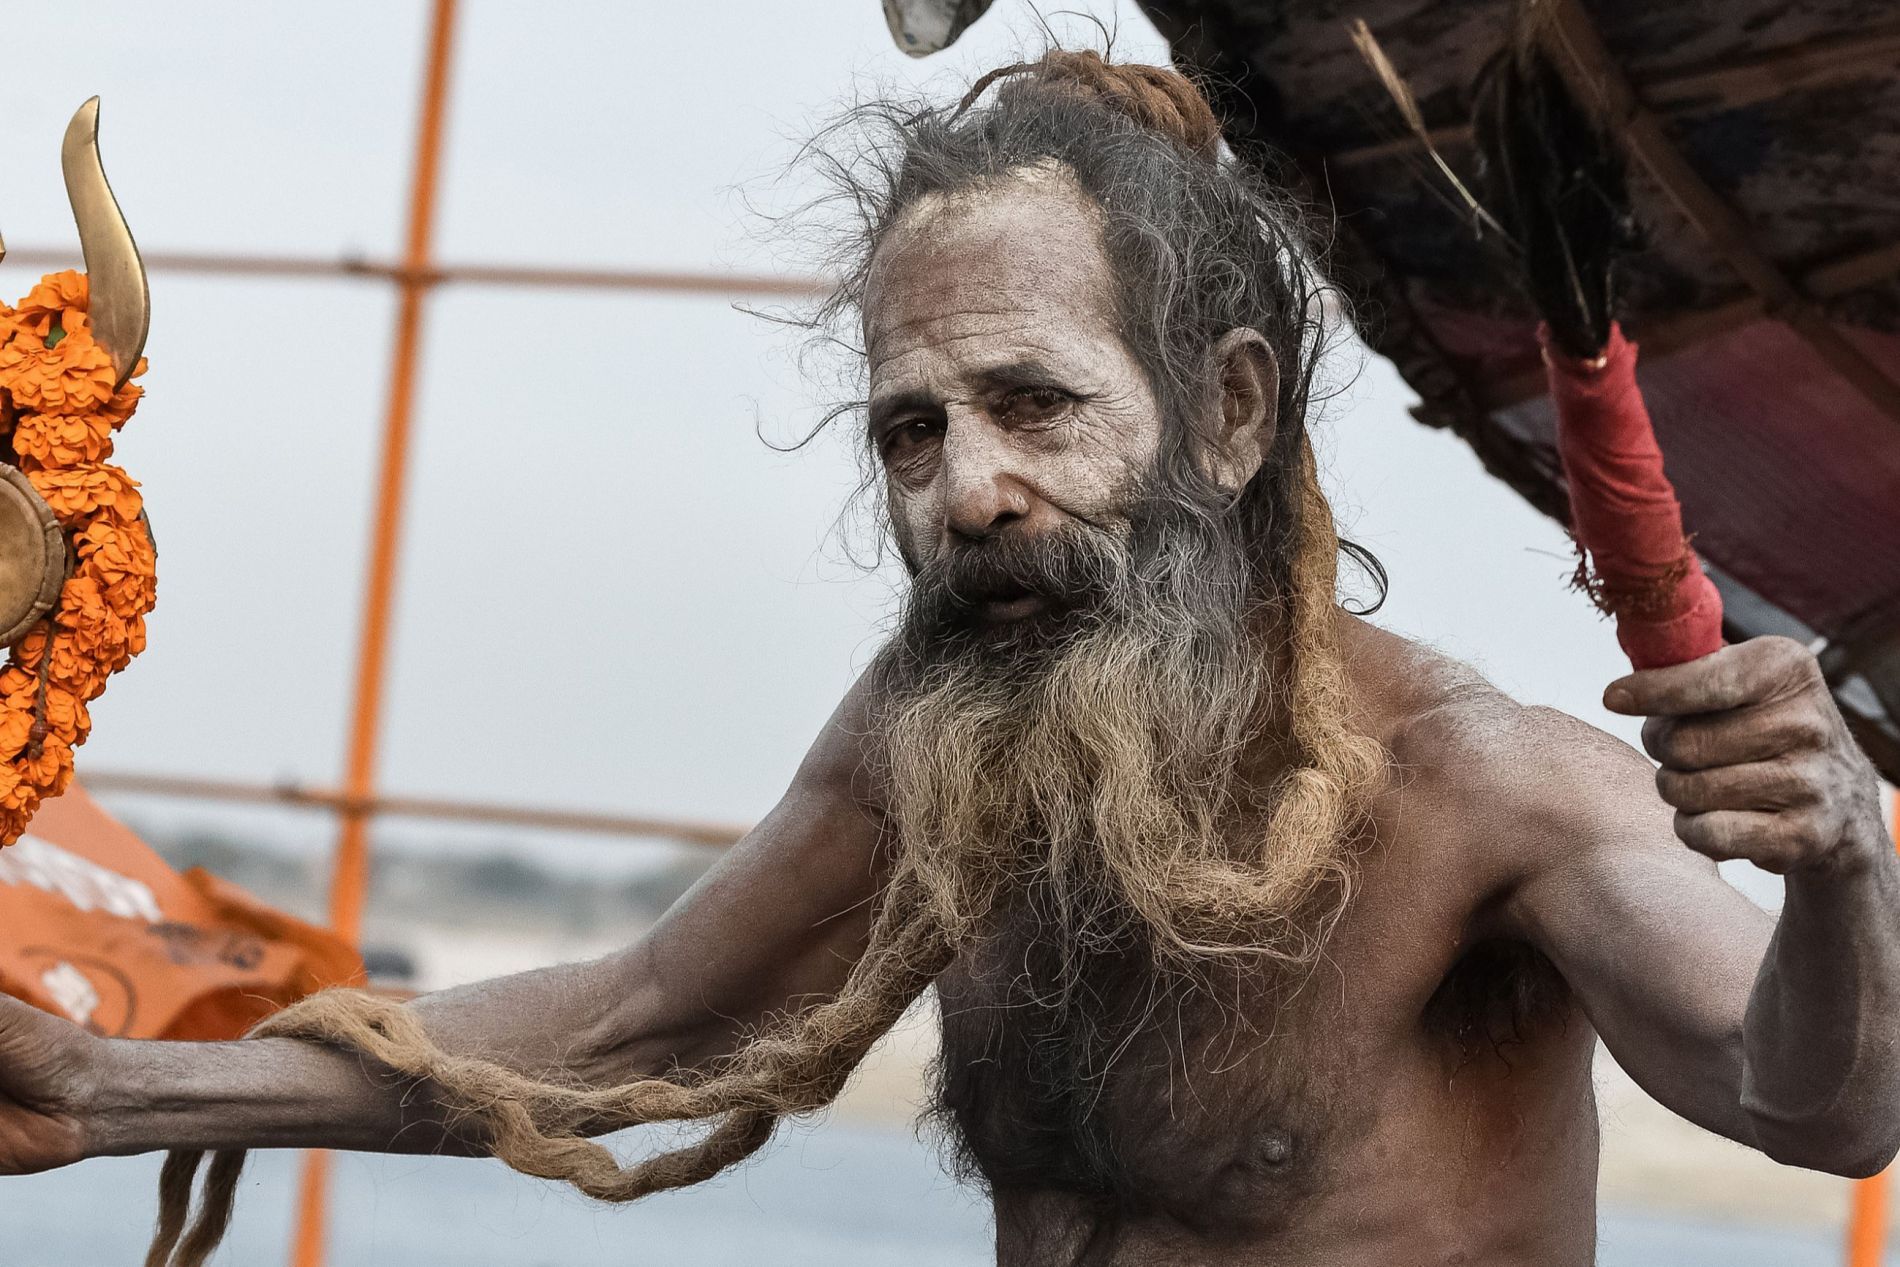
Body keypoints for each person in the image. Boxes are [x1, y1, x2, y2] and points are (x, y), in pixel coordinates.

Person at [3, 51, 1897, 1267]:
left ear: (1227, 415)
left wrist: (1840, 866)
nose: (966, 488)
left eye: (1031, 404)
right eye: (910, 432)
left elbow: (1822, 1108)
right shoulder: (947, 732)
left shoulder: (1488, 786)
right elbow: (646, 1018)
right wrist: (105, 1096)